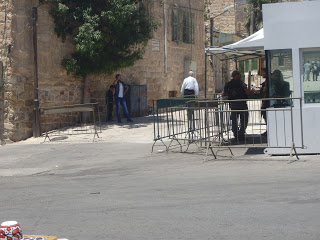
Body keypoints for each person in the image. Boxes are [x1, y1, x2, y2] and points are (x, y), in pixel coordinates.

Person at [222, 70, 250, 141]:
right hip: (242, 103)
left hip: (233, 104)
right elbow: (247, 92)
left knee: (234, 119)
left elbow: (223, 94)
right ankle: (241, 133)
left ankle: (235, 134)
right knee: (244, 119)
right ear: (237, 75)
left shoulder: (228, 84)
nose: (240, 76)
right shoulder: (241, 83)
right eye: (239, 74)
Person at [260, 68, 268, 136]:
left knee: (266, 116)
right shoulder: (266, 82)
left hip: (266, 102)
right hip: (265, 101)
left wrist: (263, 103)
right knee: (265, 116)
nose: (262, 74)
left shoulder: (267, 82)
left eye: (263, 73)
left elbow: (265, 92)